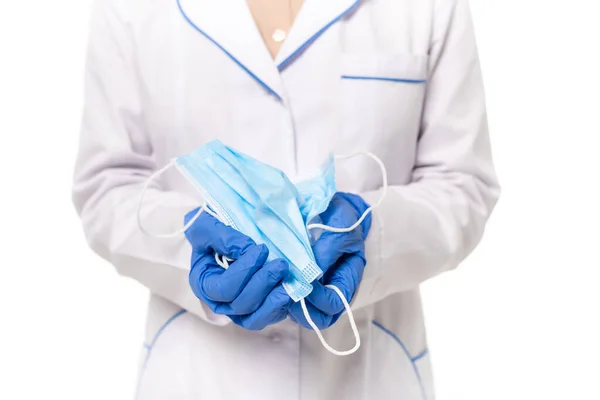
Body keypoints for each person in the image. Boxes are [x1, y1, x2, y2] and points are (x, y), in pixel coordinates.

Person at [72, 0, 500, 398]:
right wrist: (189, 248)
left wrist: (369, 233)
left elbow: (463, 183)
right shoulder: (129, 9)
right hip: (196, 375)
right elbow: (106, 185)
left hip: (371, 374)